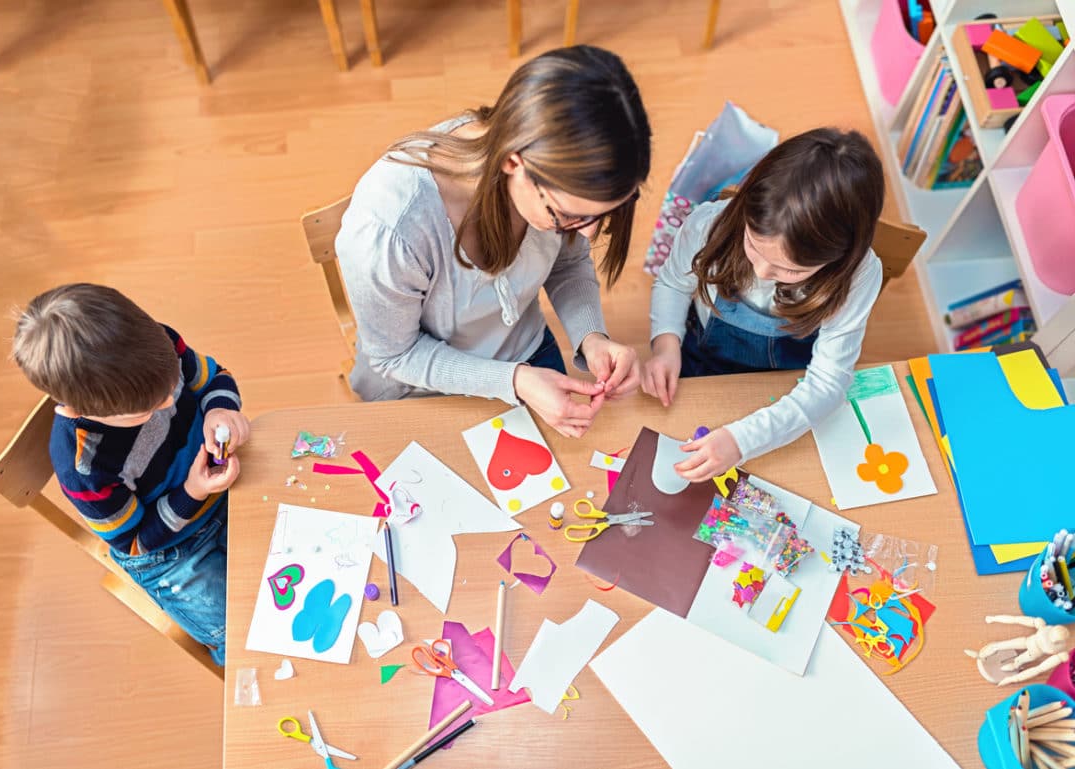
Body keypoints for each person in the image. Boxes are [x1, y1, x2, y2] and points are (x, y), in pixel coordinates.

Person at [335, 45, 651, 438]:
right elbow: (395, 355)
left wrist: (592, 337)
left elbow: (567, 264)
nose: (587, 234)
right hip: (421, 386)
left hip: (525, 356)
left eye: (601, 215)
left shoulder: (552, 175)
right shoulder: (390, 228)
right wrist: (515, 381)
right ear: (513, 162)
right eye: (568, 216)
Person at [11, 283, 249, 665]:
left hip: (223, 490)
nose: (170, 401)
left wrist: (222, 410)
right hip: (170, 552)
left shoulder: (157, 349)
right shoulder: (84, 466)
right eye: (150, 406)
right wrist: (193, 490)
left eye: (169, 384)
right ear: (84, 409)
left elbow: (214, 378)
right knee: (246, 636)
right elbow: (137, 542)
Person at [641, 127, 886, 481]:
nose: (762, 271)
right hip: (698, 363)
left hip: (784, 389)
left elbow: (828, 384)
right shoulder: (710, 224)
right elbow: (673, 283)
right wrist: (665, 344)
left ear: (840, 259)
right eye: (753, 244)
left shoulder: (859, 275)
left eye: (790, 269)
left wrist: (742, 440)